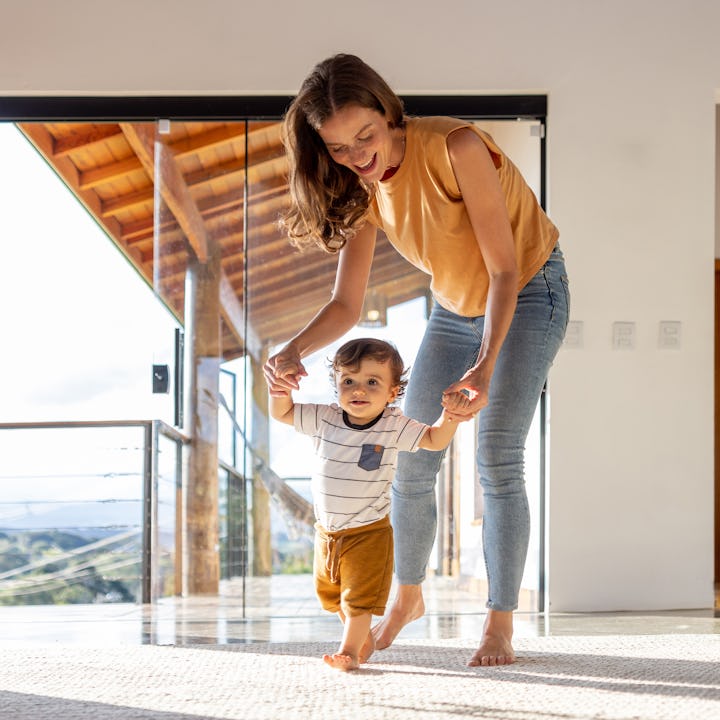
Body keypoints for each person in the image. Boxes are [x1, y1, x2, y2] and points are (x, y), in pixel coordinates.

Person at [264, 53, 570, 667]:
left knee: (497, 458)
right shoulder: (360, 187)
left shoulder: (456, 146)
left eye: (366, 136)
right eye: (340, 147)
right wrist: (292, 350)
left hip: (530, 291)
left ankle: (500, 623)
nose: (358, 155)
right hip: (454, 309)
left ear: (388, 111)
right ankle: (406, 597)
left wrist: (483, 367)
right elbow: (346, 303)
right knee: (410, 456)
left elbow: (506, 269)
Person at [268, 337, 469, 672]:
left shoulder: (393, 425)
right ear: (336, 385)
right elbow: (283, 413)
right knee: (334, 597)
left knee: (358, 598)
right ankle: (363, 639)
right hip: (328, 533)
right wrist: (280, 389)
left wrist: (451, 417)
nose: (358, 390)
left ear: (392, 393)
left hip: (368, 531)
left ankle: (349, 651)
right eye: (348, 381)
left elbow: (434, 439)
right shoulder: (325, 418)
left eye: (372, 382)